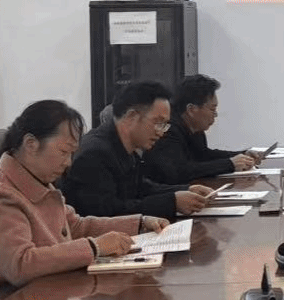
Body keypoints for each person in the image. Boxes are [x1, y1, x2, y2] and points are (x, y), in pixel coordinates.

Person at [0, 100, 158, 300]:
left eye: (71, 154)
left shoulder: (37, 182)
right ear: (31, 144)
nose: (68, 162)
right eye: (63, 152)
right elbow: (21, 265)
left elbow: (76, 227)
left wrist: (139, 224)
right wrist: (95, 247)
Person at [59, 81, 211, 221]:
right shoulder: (94, 154)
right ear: (131, 116)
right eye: (158, 122)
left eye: (165, 125)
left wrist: (186, 189)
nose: (161, 132)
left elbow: (140, 187)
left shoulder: (124, 146)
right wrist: (172, 202)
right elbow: (108, 213)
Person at [144, 74, 257, 184]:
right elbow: (178, 171)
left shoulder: (195, 128)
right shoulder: (168, 129)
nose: (215, 115)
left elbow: (203, 156)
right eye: (212, 109)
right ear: (191, 109)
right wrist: (229, 164)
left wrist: (242, 155)